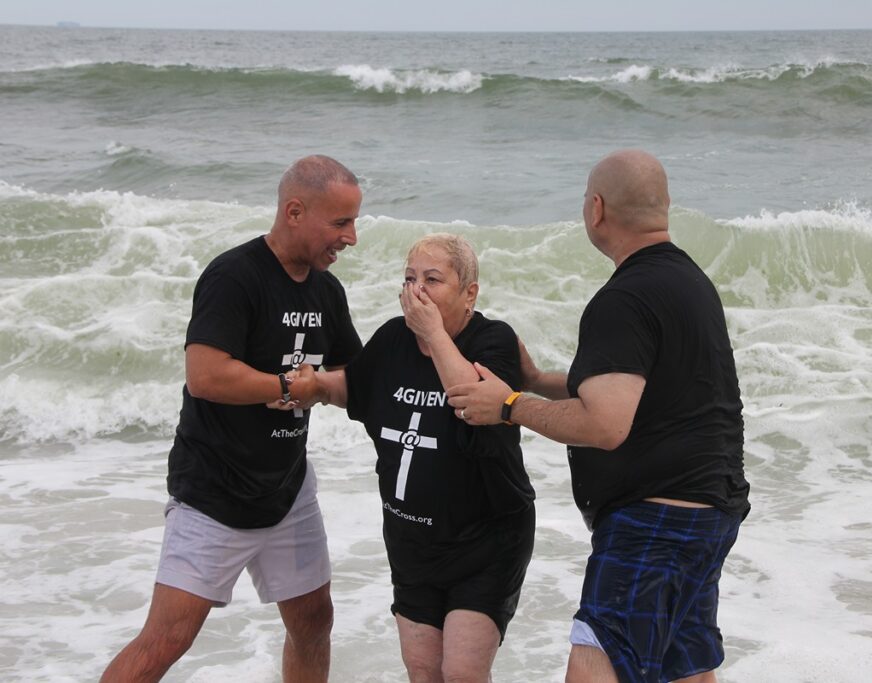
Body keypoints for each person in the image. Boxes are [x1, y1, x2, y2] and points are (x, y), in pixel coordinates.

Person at [448, 150, 750, 683]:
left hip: (655, 522)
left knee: (595, 663)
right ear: (665, 207)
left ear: (596, 209)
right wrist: (538, 381)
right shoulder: (690, 283)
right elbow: (645, 389)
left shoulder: (623, 299)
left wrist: (510, 406)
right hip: (708, 512)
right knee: (687, 665)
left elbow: (606, 425)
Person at [101, 155, 364, 682]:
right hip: (214, 492)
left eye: (353, 222)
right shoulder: (234, 276)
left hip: (287, 491)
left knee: (314, 622)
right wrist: (292, 386)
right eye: (340, 222)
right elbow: (206, 375)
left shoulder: (325, 291)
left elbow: (350, 376)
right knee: (166, 642)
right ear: (294, 211)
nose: (351, 237)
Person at [284, 232, 535, 683]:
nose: (416, 291)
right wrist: (318, 386)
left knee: (461, 672)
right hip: (412, 542)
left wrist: (433, 334)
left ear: (469, 293)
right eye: (409, 278)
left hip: (486, 539)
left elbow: (469, 401)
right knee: (423, 671)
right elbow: (356, 387)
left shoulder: (493, 341)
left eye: (433, 280)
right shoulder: (391, 339)